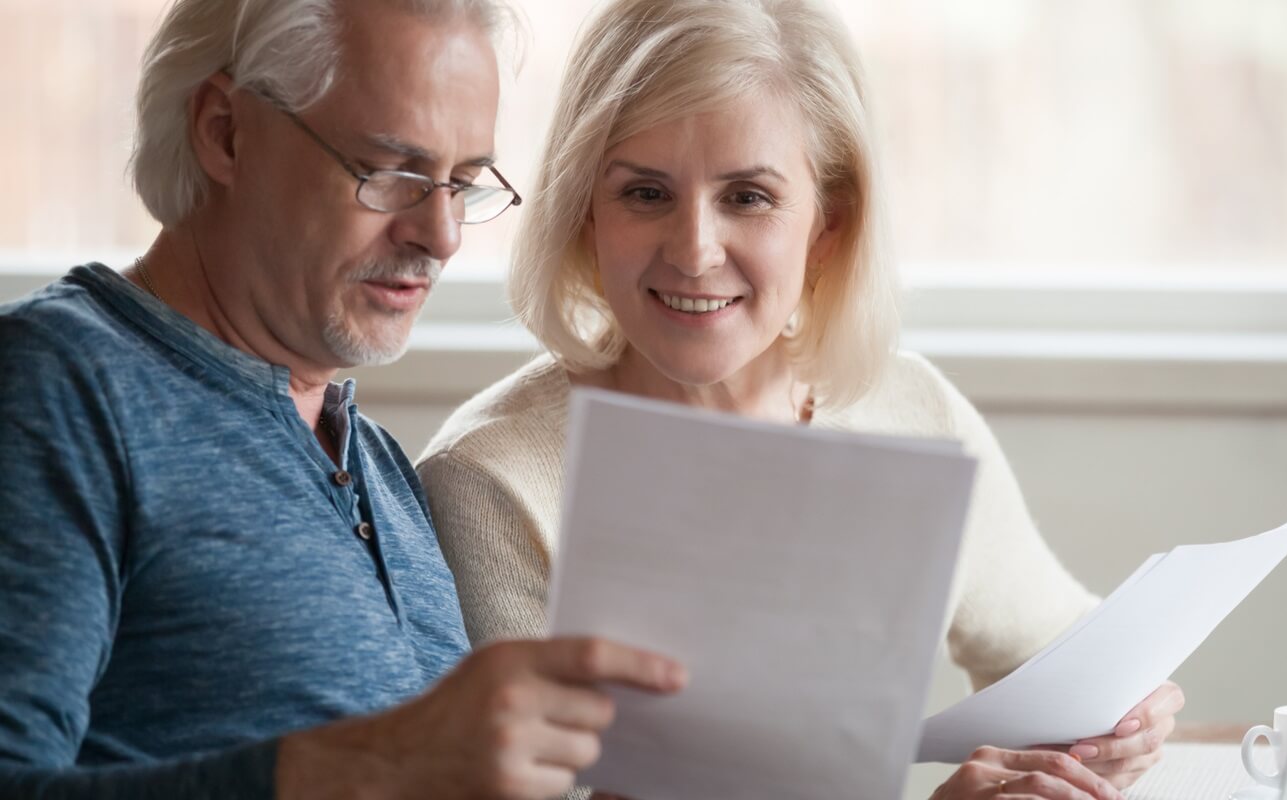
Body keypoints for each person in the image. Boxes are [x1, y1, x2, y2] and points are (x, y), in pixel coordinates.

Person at [417, 0, 1183, 797]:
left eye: (748, 197)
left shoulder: (911, 411)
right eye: (645, 194)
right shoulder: (492, 480)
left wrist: (1121, 718)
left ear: (829, 225)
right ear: (584, 212)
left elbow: (1052, 646)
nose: (694, 250)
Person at [0, 1, 685, 798]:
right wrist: (367, 768)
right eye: (392, 175)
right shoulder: (55, 389)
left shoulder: (383, 468)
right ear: (224, 131)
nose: (443, 235)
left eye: (462, 184)